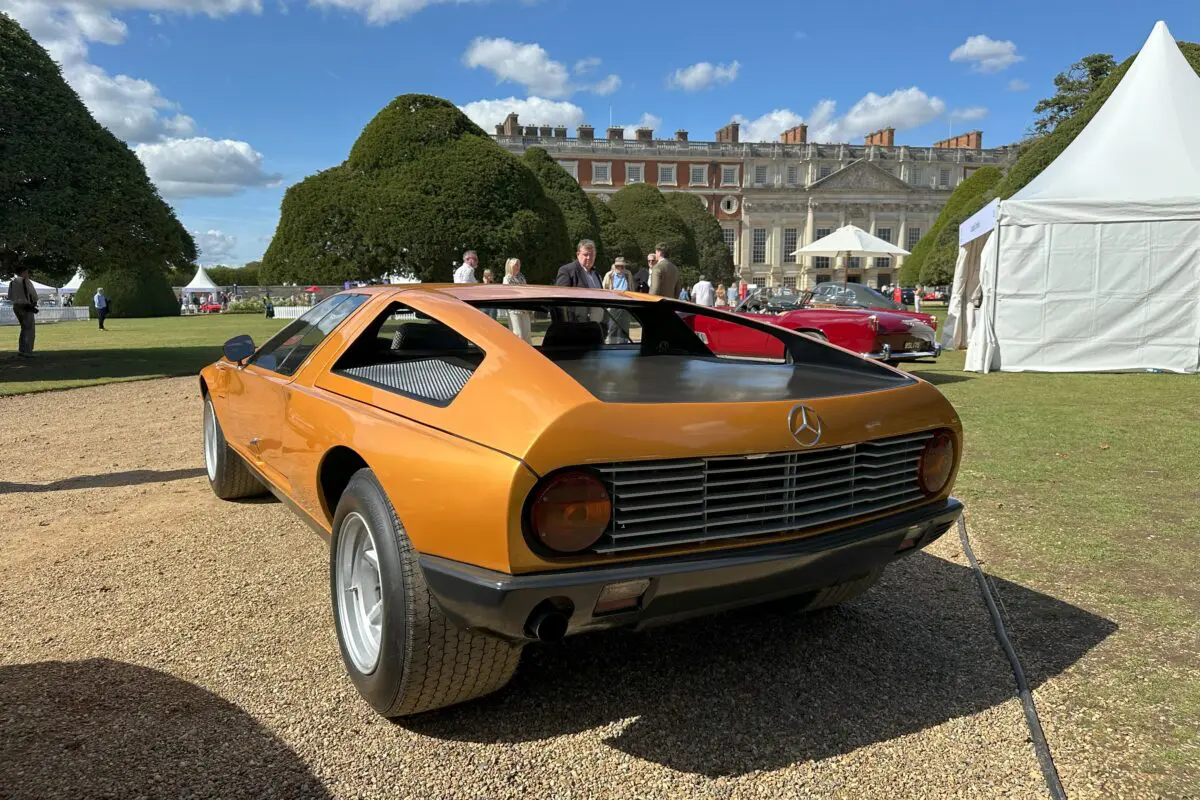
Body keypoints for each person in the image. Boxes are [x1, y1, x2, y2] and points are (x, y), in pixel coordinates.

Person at [7, 265, 39, 358]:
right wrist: (33, 301)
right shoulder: (26, 281)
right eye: (27, 272)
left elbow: (10, 296)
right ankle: (27, 351)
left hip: (16, 306)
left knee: (23, 328)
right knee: (29, 329)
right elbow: (33, 294)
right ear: (23, 272)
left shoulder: (12, 283)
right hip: (26, 306)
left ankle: (22, 349)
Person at [602, 257, 633, 343]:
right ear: (615, 266)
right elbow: (604, 289)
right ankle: (612, 344)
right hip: (613, 303)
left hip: (625, 303)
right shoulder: (609, 275)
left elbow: (631, 288)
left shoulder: (628, 274)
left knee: (625, 326)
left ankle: (624, 344)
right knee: (613, 326)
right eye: (618, 266)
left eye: (622, 267)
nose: (620, 268)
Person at [502, 258, 532, 344]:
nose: (518, 266)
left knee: (527, 334)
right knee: (517, 334)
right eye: (516, 264)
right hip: (513, 310)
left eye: (519, 264)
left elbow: (526, 290)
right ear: (511, 266)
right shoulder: (507, 278)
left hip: (524, 308)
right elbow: (507, 294)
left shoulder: (522, 277)